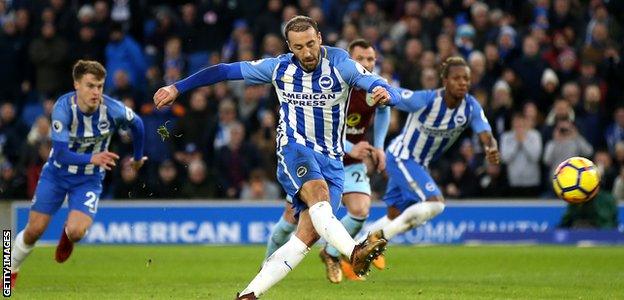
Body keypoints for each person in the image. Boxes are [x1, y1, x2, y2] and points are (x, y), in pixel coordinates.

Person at [152, 16, 399, 299]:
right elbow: (223, 70)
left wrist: (384, 92)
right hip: (294, 148)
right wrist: (176, 87)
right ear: (288, 46)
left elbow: (375, 82)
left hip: (332, 159)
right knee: (317, 195)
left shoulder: (340, 63)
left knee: (307, 236)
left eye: (310, 44)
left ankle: (248, 295)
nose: (306, 52)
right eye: (298, 47)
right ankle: (354, 252)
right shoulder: (278, 67)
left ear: (319, 37)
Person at [262, 38, 391, 283]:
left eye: (371, 59)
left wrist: (380, 147)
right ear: (348, 60)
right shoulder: (334, 82)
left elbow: (385, 109)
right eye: (360, 59)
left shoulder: (373, 88)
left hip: (349, 163)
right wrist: (352, 146)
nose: (366, 63)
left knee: (361, 210)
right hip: (317, 159)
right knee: (290, 219)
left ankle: (332, 254)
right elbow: (316, 132)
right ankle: (266, 265)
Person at [10, 60, 147, 287]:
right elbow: (61, 153)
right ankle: (9, 269)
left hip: (89, 179)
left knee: (76, 232)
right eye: (90, 85)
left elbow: (139, 124)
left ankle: (68, 234)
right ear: (76, 85)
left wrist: (137, 157)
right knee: (34, 230)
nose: (96, 92)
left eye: (100, 86)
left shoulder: (112, 109)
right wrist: (93, 157)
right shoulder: (62, 109)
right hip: (56, 173)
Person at [354, 57, 499, 269]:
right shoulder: (427, 100)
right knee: (435, 202)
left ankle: (354, 251)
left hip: (419, 164)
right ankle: (377, 239)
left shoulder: (470, 107)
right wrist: (382, 90)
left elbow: (485, 132)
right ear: (445, 80)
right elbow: (398, 95)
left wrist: (491, 147)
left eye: (466, 79)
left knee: (394, 215)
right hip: (402, 157)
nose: (462, 83)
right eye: (457, 78)